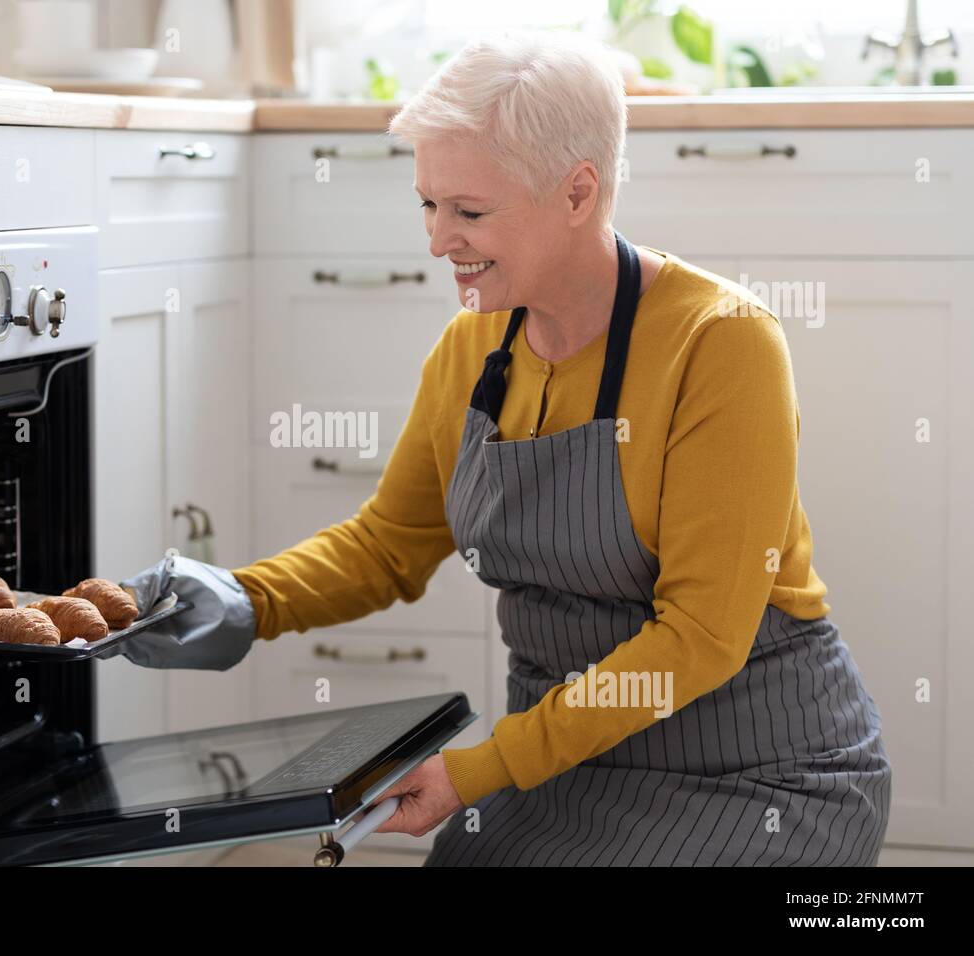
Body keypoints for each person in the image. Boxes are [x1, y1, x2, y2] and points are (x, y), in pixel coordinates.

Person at [122, 30, 891, 866]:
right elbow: (390, 545)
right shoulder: (472, 350)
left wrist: (480, 770)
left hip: (761, 770)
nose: (436, 239)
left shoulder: (722, 342)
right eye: (427, 203)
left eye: (470, 212)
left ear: (578, 192)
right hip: (563, 767)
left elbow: (702, 636)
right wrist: (240, 599)